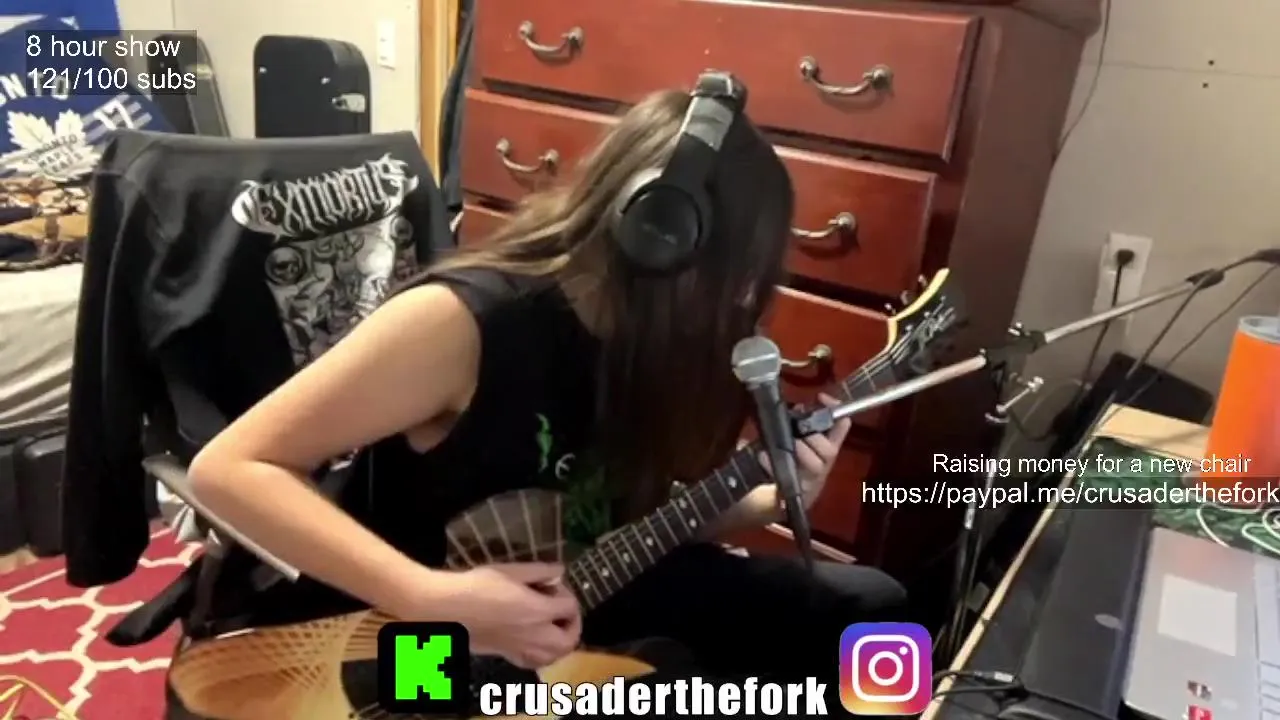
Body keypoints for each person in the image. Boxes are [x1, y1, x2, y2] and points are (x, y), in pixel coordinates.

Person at [185, 83, 907, 715]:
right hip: (406, 640)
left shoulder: (651, 341)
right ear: (659, 237)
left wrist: (772, 498)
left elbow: (614, 511)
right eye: (736, 273)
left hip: (570, 589)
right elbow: (229, 469)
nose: (746, 297)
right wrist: (433, 599)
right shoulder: (464, 324)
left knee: (869, 614)